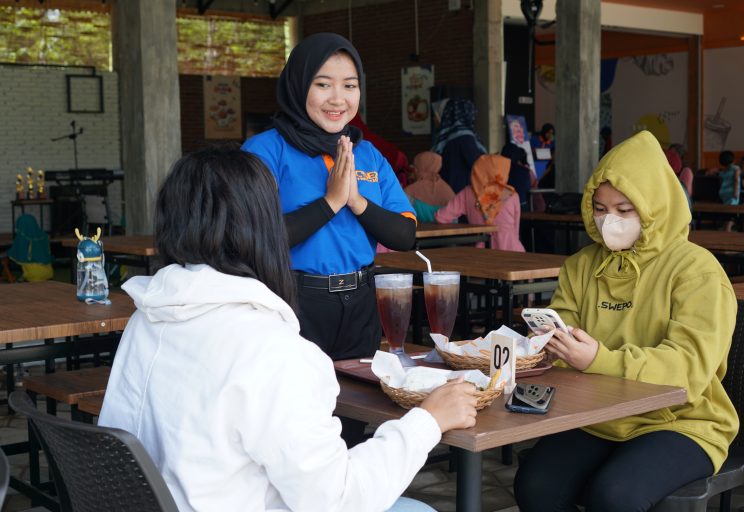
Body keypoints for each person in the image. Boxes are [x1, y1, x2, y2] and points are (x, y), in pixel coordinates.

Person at [98, 146, 480, 512]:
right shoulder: (272, 351)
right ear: (264, 229)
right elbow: (339, 500)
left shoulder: (145, 320)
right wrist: (428, 421)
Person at [513, 131, 738, 512]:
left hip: (682, 420)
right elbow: (559, 340)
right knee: (535, 486)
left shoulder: (696, 270)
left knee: (616, 495)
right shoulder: (581, 265)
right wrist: (542, 348)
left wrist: (600, 359)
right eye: (599, 209)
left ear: (654, 207)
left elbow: (689, 368)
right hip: (597, 416)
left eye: (624, 209)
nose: (608, 221)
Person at [241, 33, 416, 362]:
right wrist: (330, 202)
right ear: (298, 85)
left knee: (358, 408)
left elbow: (405, 235)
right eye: (323, 85)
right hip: (292, 301)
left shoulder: (367, 154)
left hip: (363, 301)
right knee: (296, 407)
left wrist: (356, 202)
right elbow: (252, 239)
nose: (338, 99)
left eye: (349, 86)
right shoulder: (264, 151)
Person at [435, 154, 525, 252]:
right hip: (512, 253)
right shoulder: (511, 195)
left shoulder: (467, 193)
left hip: (480, 255)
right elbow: (516, 231)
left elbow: (441, 217)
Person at [432, 98, 486, 194]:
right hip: (461, 193)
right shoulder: (464, 137)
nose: (434, 119)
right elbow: (479, 164)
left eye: (436, 115)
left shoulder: (448, 137)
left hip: (454, 193)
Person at [404, 151, 455, 222]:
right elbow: (455, 219)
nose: (414, 170)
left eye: (416, 167)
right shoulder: (447, 190)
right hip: (449, 232)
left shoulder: (410, 191)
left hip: (419, 232)